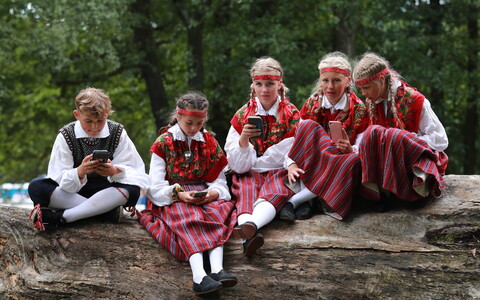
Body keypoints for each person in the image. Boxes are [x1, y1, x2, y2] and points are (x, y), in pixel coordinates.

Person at [137, 92, 237, 295]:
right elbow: (155, 186)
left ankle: (217, 269)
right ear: (179, 116)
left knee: (217, 211)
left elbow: (218, 180)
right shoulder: (164, 144)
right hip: (173, 196)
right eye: (189, 122)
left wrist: (213, 193)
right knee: (187, 216)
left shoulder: (208, 142)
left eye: (199, 123)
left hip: (202, 192)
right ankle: (199, 275)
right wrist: (178, 195)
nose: (194, 128)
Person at [28, 87, 149, 231]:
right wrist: (79, 172)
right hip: (75, 193)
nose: (95, 126)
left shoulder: (117, 132)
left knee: (132, 189)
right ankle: (107, 212)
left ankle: (65, 217)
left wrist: (114, 171)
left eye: (100, 120)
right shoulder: (66, 135)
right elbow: (57, 176)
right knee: (37, 187)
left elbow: (136, 172)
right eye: (88, 121)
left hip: (108, 191)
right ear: (76, 115)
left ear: (107, 114)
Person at [225, 57, 300, 257]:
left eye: (270, 84)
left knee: (275, 191)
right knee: (246, 191)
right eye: (259, 84)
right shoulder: (242, 115)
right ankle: (248, 234)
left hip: (277, 170)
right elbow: (237, 165)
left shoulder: (291, 114)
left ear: (279, 85)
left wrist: (282, 163)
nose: (264, 90)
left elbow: (293, 150)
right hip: (249, 171)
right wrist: (243, 139)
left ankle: (250, 228)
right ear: (253, 86)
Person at [280, 52, 369, 221]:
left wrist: (351, 149)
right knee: (306, 125)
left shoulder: (359, 109)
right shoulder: (312, 103)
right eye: (325, 80)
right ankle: (311, 200)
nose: (330, 87)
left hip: (340, 162)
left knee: (351, 161)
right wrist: (291, 163)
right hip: (315, 161)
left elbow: (362, 146)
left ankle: (296, 201)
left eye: (336, 80)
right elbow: (298, 140)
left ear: (347, 81)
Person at [352, 52, 448, 208]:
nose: (363, 94)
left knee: (392, 135)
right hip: (390, 164)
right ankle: (381, 194)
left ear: (381, 80)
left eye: (366, 88)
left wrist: (406, 140)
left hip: (413, 161)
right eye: (361, 89)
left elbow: (441, 139)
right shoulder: (373, 103)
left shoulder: (415, 100)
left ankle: (414, 192)